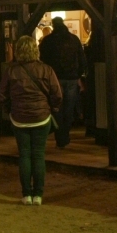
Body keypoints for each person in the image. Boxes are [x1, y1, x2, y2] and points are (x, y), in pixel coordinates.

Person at [0, 36, 62, 205]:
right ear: (36, 50)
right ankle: (38, 195)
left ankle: (26, 194)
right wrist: (52, 109)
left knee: (24, 155)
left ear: (18, 51)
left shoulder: (11, 71)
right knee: (38, 155)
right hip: (41, 118)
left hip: (19, 118)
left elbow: (1, 95)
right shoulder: (46, 70)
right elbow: (57, 94)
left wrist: (9, 110)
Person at [39, 17, 87, 148]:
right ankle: (65, 136)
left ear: (54, 25)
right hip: (71, 78)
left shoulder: (48, 41)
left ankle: (60, 137)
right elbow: (82, 60)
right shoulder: (74, 39)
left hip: (55, 78)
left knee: (57, 108)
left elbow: (42, 60)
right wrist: (77, 75)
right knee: (69, 109)